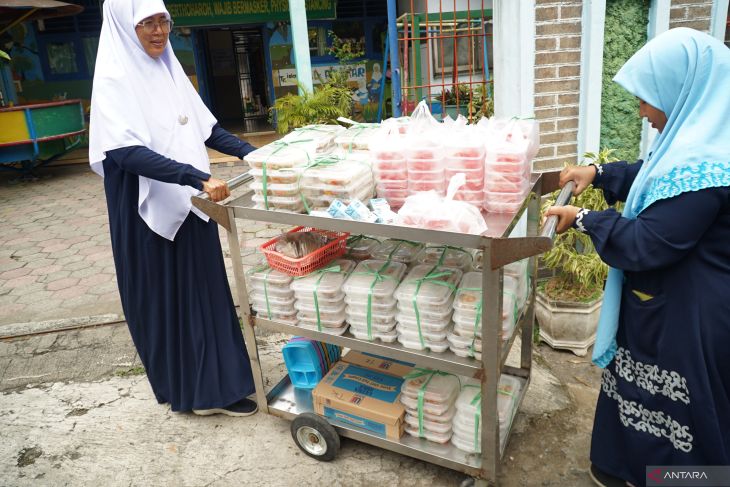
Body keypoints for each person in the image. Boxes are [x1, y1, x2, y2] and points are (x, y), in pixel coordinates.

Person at [546, 28, 730, 486]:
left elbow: (650, 242)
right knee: (636, 392)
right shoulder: (692, 147)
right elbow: (654, 176)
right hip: (661, 304)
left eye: (648, 98)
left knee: (683, 413)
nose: (642, 111)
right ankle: (622, 467)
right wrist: (599, 172)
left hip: (692, 318)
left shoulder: (710, 170)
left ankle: (680, 481)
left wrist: (586, 220)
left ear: (682, 90)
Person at [89, 0, 258, 416]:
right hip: (146, 212)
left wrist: (254, 154)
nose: (158, 31)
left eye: (163, 20)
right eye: (146, 22)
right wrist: (195, 176)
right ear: (126, 26)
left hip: (192, 201)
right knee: (172, 300)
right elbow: (126, 153)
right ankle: (197, 394)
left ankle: (221, 384)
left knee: (206, 292)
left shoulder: (168, 67)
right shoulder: (114, 77)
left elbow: (205, 127)